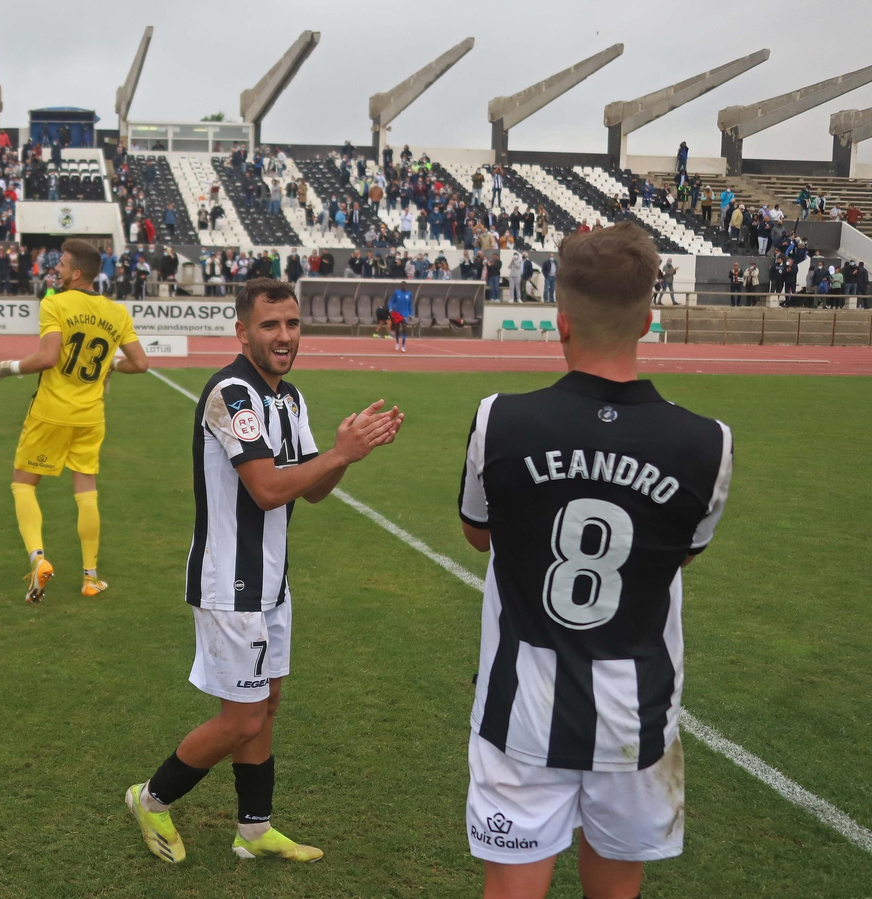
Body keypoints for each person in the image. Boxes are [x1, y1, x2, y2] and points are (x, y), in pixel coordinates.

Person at [456, 222, 732, 899]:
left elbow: (478, 534)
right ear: (648, 319)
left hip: (520, 710)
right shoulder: (708, 443)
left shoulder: (499, 419)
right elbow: (680, 555)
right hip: (635, 716)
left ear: (560, 319)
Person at [124, 278, 401, 866]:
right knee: (244, 718)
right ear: (242, 331)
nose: (283, 336)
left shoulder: (289, 397)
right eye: (270, 325)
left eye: (292, 324)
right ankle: (150, 798)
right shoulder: (233, 394)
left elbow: (314, 487)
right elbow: (269, 489)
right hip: (231, 582)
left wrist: (347, 455)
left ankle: (254, 830)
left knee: (267, 705)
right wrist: (340, 453)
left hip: (272, 582)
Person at [0, 239, 150, 601]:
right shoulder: (117, 313)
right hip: (90, 415)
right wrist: (109, 366)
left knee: (24, 485)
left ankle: (38, 558)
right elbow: (140, 363)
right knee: (86, 490)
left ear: (75, 272)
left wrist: (2, 369)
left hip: (51, 412)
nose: (56, 267)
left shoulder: (55, 303)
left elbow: (47, 358)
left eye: (62, 263)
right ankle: (90, 577)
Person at [388, 282, 413, 353]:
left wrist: (411, 315)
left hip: (405, 314)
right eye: (402, 285)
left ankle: (403, 346)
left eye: (404, 285)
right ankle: (397, 342)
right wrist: (390, 309)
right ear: (400, 286)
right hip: (397, 314)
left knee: (404, 329)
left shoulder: (409, 294)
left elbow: (410, 305)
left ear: (406, 286)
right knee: (397, 329)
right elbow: (392, 302)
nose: (403, 286)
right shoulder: (396, 293)